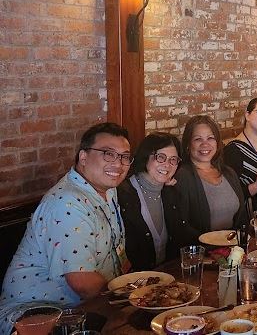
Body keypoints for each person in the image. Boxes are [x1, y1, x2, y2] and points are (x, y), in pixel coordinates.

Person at [0, 123, 132, 333]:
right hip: (36, 315)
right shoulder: (67, 202)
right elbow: (82, 282)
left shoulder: (107, 189)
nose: (119, 163)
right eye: (108, 154)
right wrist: (132, 299)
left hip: (85, 307)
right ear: (83, 157)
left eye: (125, 156)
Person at [117, 132, 183, 271]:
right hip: (131, 285)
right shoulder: (123, 195)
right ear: (146, 156)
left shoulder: (171, 194)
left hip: (166, 281)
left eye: (173, 160)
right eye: (160, 157)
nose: (167, 165)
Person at [175, 115, 248, 237]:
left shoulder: (229, 173)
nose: (205, 144)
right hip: (203, 252)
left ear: (217, 143)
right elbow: (180, 226)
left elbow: (241, 217)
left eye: (210, 138)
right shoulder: (182, 176)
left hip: (232, 249)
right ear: (188, 145)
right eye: (198, 139)